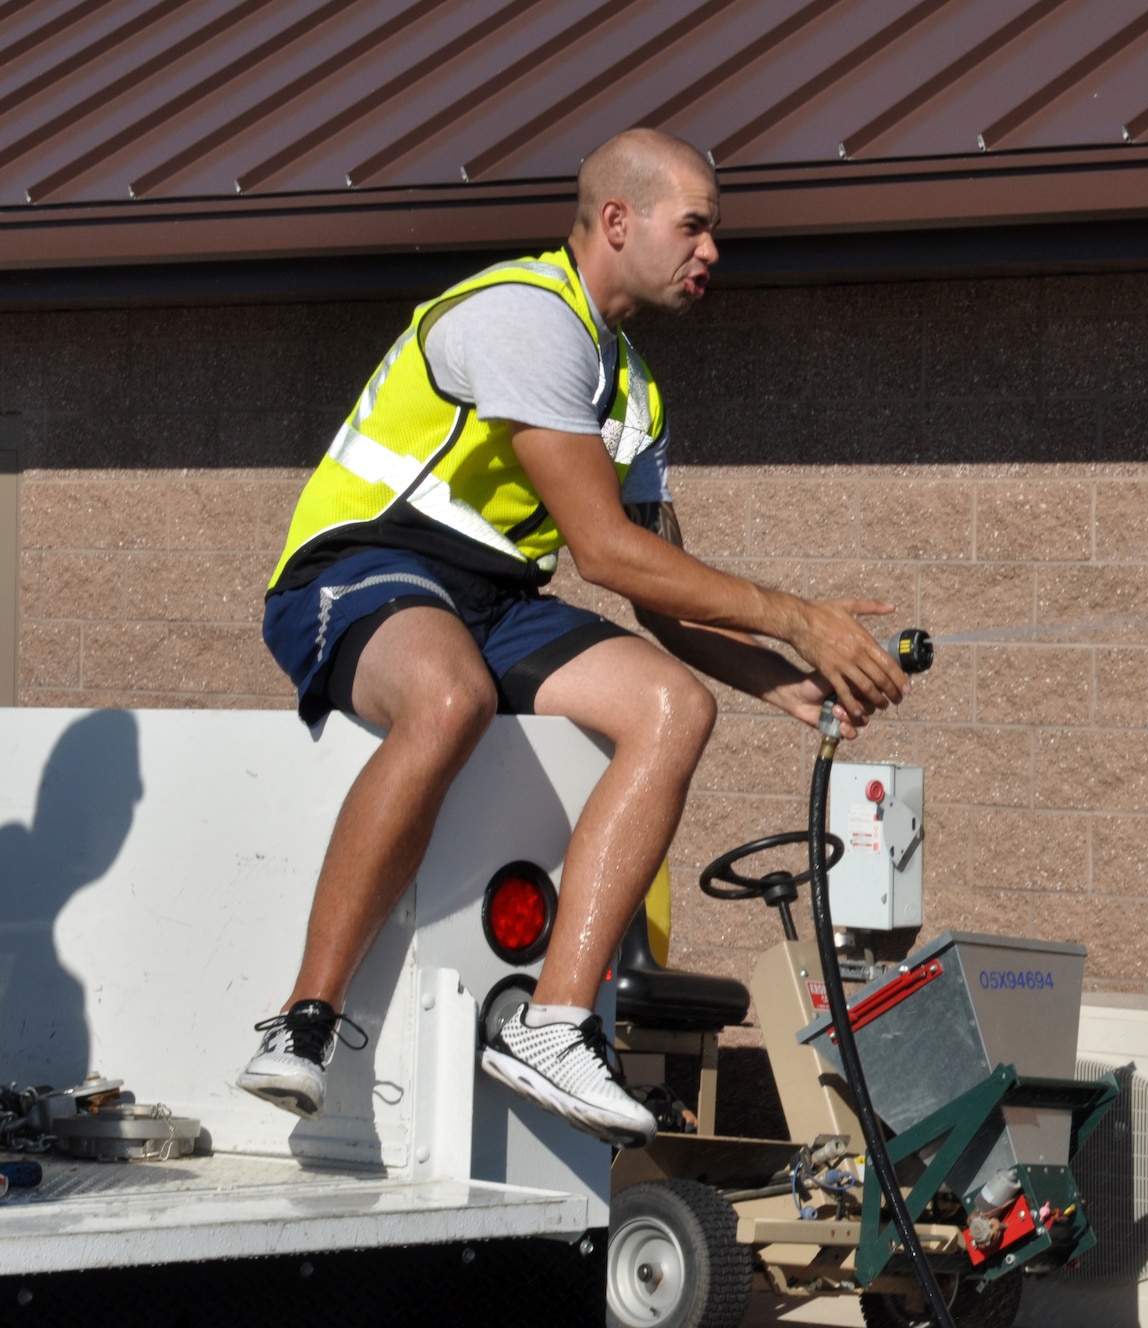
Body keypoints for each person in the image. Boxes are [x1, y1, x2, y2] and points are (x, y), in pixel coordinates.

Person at [238, 128, 906, 1147]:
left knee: (674, 706)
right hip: (361, 564)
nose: (712, 251)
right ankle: (306, 1017)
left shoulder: (634, 387)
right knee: (448, 694)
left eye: (713, 232)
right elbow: (603, 550)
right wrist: (795, 614)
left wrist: (780, 679)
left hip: (495, 599)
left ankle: (554, 1023)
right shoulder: (523, 317)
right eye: (694, 226)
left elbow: (662, 595)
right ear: (615, 221)